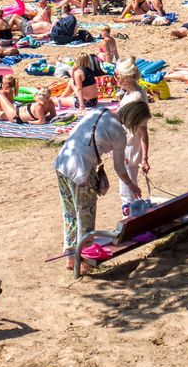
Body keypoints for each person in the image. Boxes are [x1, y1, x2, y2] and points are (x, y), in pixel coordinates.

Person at [53, 101, 150, 257]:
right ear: (135, 119)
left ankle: (70, 255)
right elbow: (119, 168)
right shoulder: (119, 133)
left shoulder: (99, 111)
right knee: (86, 216)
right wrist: (131, 185)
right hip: (81, 169)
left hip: (62, 162)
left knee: (70, 213)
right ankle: (83, 258)